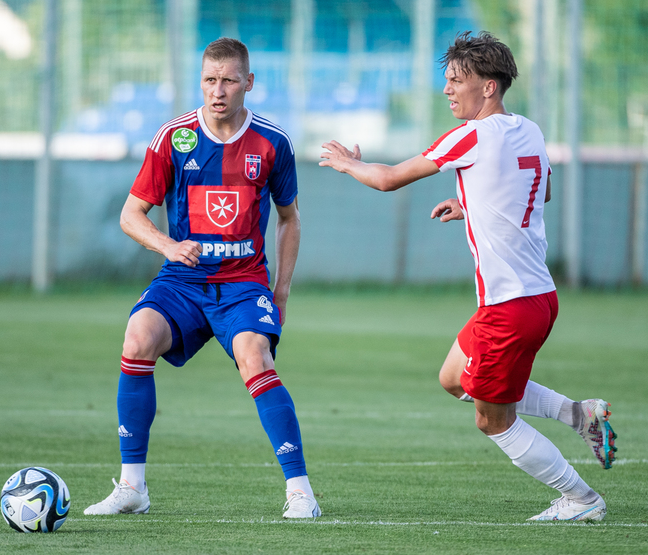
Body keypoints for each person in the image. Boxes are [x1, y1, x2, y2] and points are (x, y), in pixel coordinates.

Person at [319, 31, 616, 521]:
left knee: (492, 420)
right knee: (454, 378)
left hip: (509, 305)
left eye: (457, 80)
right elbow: (539, 192)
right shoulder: (529, 129)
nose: (447, 90)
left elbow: (388, 179)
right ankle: (578, 414)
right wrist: (473, 203)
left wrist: (349, 163)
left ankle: (583, 500)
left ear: (489, 87)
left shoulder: (471, 135)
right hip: (537, 296)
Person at [84, 38, 320, 519]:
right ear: (201, 82)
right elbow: (131, 215)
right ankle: (132, 487)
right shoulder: (174, 137)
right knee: (137, 338)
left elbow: (289, 219)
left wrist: (281, 292)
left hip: (243, 285)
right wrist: (168, 246)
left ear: (248, 83)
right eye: (210, 80)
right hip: (183, 280)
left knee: (255, 356)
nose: (219, 90)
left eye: (229, 80)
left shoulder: (272, 143)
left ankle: (301, 493)